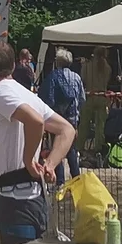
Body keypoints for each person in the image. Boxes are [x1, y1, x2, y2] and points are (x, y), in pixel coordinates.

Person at [0, 39, 75, 244]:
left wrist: (27, 160)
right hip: (36, 198)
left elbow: (35, 122)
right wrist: (50, 165)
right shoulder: (27, 95)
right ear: (14, 66)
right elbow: (67, 130)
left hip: (15, 199)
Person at [39, 50, 86, 180]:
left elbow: (48, 98)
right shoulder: (76, 77)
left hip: (58, 117)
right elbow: (82, 99)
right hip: (73, 118)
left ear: (57, 62)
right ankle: (76, 177)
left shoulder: (53, 77)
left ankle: (60, 180)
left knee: (57, 147)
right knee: (71, 149)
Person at [75, 47, 112, 159]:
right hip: (102, 97)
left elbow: (84, 79)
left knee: (84, 125)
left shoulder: (87, 66)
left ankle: (79, 148)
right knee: (100, 126)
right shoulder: (108, 68)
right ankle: (98, 149)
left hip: (89, 96)